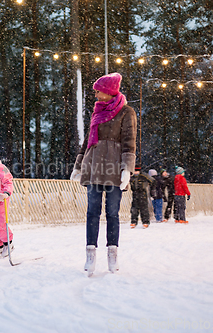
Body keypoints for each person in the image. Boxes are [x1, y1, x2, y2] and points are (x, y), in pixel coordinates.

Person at [70, 72, 137, 276]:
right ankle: (90, 255)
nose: (96, 95)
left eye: (98, 91)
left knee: (112, 213)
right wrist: (79, 165)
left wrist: (127, 168)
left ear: (108, 91)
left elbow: (129, 143)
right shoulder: (96, 112)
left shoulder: (126, 112)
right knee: (92, 212)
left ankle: (112, 254)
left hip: (114, 169)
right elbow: (87, 142)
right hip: (94, 168)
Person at [129, 164, 155, 228]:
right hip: (135, 193)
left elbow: (153, 181)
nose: (135, 173)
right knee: (134, 208)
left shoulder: (144, 175)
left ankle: (145, 222)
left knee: (144, 208)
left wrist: (150, 187)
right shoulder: (131, 176)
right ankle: (133, 221)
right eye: (134, 171)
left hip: (142, 193)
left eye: (137, 171)